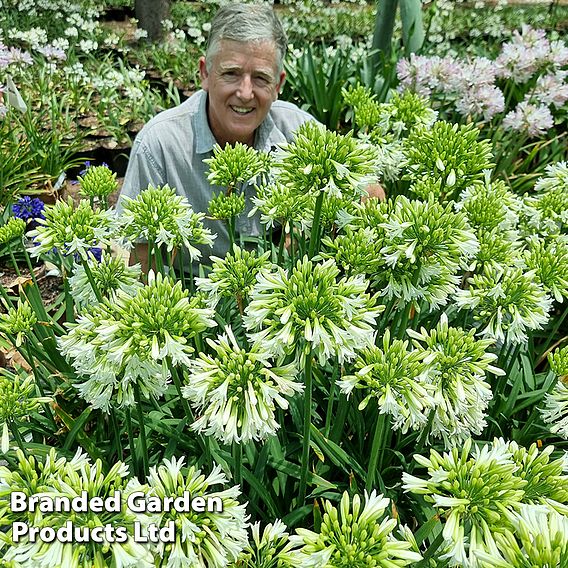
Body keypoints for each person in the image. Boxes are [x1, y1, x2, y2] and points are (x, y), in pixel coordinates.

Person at [116, 4, 315, 269]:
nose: (245, 93)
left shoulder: (300, 131)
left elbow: (370, 191)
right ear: (205, 74)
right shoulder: (160, 145)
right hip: (188, 298)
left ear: (278, 85)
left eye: (260, 78)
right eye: (231, 73)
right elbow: (142, 261)